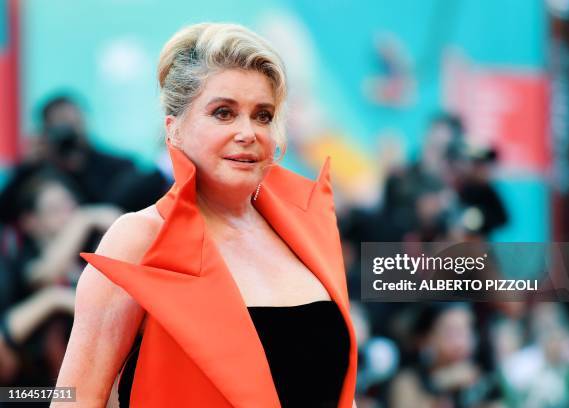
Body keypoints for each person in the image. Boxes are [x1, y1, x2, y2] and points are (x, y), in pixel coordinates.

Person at [54, 23, 357, 407]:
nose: (247, 132)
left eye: (262, 116)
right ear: (174, 129)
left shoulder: (310, 229)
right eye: (224, 113)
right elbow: (75, 400)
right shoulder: (140, 238)